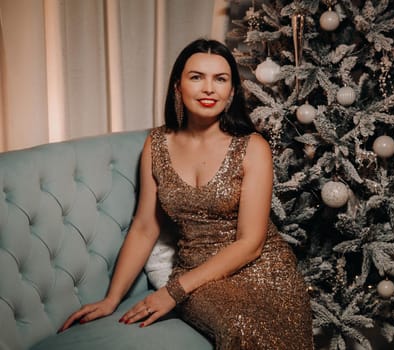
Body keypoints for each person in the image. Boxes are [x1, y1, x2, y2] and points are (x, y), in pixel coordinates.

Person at [59, 38, 314, 349]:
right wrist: (112, 299)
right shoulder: (156, 145)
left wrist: (173, 292)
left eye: (220, 79)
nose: (209, 89)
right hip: (197, 276)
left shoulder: (252, 147)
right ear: (178, 86)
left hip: (264, 269)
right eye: (196, 77)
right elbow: (145, 227)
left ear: (231, 91)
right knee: (239, 328)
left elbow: (251, 243)